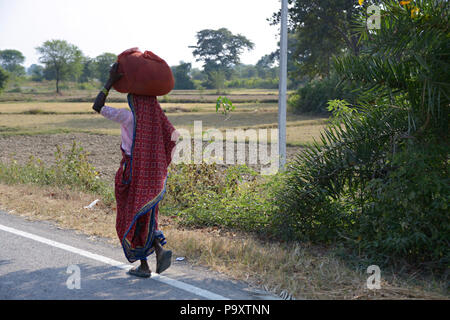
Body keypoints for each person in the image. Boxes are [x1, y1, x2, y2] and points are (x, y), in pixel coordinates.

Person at [92, 62, 178, 278]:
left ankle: (144, 266)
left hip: (132, 172)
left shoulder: (128, 117)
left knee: (134, 214)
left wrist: (110, 82)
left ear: (133, 100)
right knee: (147, 213)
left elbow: (98, 106)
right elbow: (174, 136)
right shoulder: (157, 118)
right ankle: (158, 248)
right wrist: (158, 160)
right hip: (153, 174)